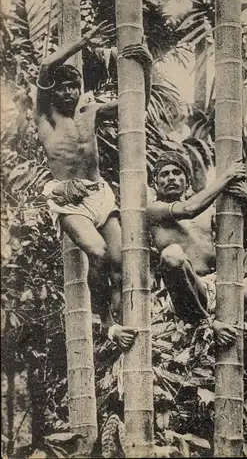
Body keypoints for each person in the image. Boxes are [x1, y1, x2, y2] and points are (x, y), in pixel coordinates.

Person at [35, 21, 153, 350]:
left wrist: (147, 64)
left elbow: (137, 106)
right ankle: (106, 323)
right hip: (69, 200)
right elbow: (46, 66)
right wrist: (82, 42)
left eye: (74, 87)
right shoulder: (46, 118)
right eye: (62, 88)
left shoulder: (91, 112)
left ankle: (117, 325)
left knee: (118, 260)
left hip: (99, 193)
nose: (69, 92)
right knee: (98, 253)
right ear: (53, 92)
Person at [146, 151, 247, 346]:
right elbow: (189, 209)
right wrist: (228, 176)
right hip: (189, 293)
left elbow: (242, 244)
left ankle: (233, 320)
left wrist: (245, 204)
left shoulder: (209, 213)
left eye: (176, 172)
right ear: (155, 182)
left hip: (220, 288)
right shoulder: (153, 210)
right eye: (164, 174)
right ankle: (206, 324)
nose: (171, 178)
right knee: (172, 255)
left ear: (187, 181)